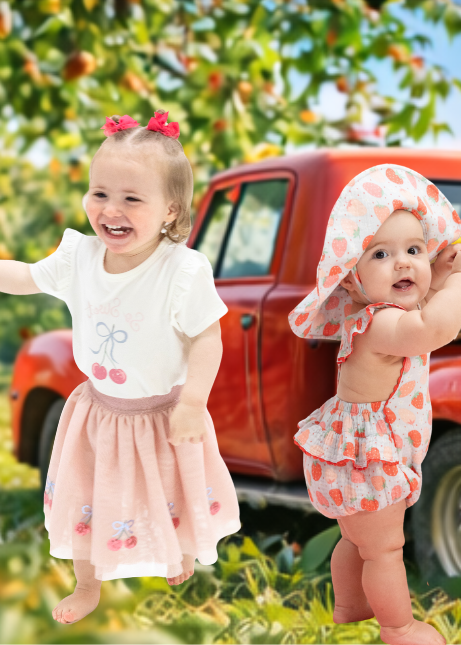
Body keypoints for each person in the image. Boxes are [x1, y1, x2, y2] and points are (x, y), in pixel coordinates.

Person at [0, 110, 239, 624]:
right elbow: (26, 276)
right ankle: (88, 584)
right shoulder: (79, 258)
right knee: (86, 498)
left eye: (132, 198)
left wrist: (193, 402)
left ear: (171, 211)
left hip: (163, 412)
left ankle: (176, 551)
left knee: (168, 490)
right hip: (97, 410)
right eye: (100, 193)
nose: (111, 209)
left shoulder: (181, 271)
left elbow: (206, 338)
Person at [289, 164, 461, 645]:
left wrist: (433, 277)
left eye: (414, 251)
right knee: (384, 550)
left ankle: (350, 604)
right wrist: (460, 276)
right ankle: (398, 628)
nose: (403, 264)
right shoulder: (381, 324)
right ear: (352, 282)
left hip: (359, 455)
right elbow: (435, 329)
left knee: (356, 539)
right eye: (381, 254)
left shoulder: (381, 313)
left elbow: (421, 305)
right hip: (367, 460)